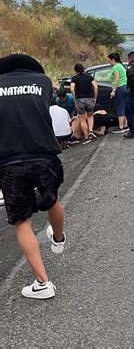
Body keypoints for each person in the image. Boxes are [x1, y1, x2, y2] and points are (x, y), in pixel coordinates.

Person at [0, 54, 66, 299]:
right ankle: (58, 239)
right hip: (44, 155)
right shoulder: (42, 82)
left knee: (22, 221)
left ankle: (43, 284)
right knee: (52, 199)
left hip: (9, 160)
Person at [70, 63, 98, 140]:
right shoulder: (89, 77)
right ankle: (91, 131)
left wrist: (75, 98)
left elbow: (72, 89)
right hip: (89, 98)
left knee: (82, 119)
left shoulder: (74, 78)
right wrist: (94, 97)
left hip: (79, 99)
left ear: (75, 70)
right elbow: (95, 86)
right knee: (90, 116)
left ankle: (86, 136)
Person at [107, 52, 128, 133]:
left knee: (120, 107)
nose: (108, 63)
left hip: (119, 88)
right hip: (124, 87)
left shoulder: (115, 67)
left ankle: (121, 127)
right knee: (123, 107)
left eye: (109, 61)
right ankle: (125, 125)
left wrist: (113, 91)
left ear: (113, 60)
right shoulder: (121, 66)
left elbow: (116, 79)